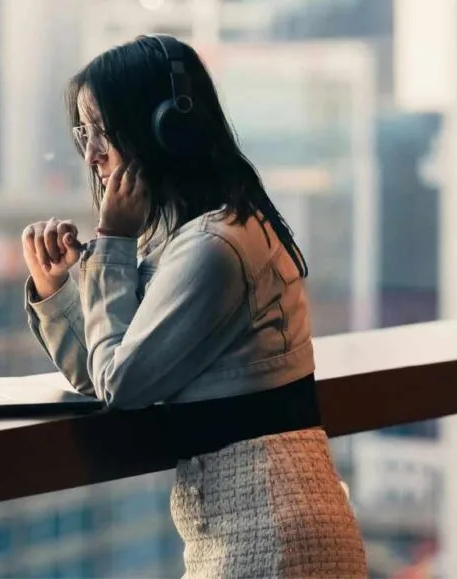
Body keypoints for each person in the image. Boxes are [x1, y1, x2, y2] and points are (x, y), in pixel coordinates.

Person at [21, 35, 368, 578]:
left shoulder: (214, 246)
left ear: (166, 128)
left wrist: (111, 243)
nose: (90, 155)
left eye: (101, 131)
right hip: (248, 529)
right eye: (81, 134)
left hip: (270, 536)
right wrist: (58, 290)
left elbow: (122, 385)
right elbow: (103, 373)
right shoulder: (182, 239)